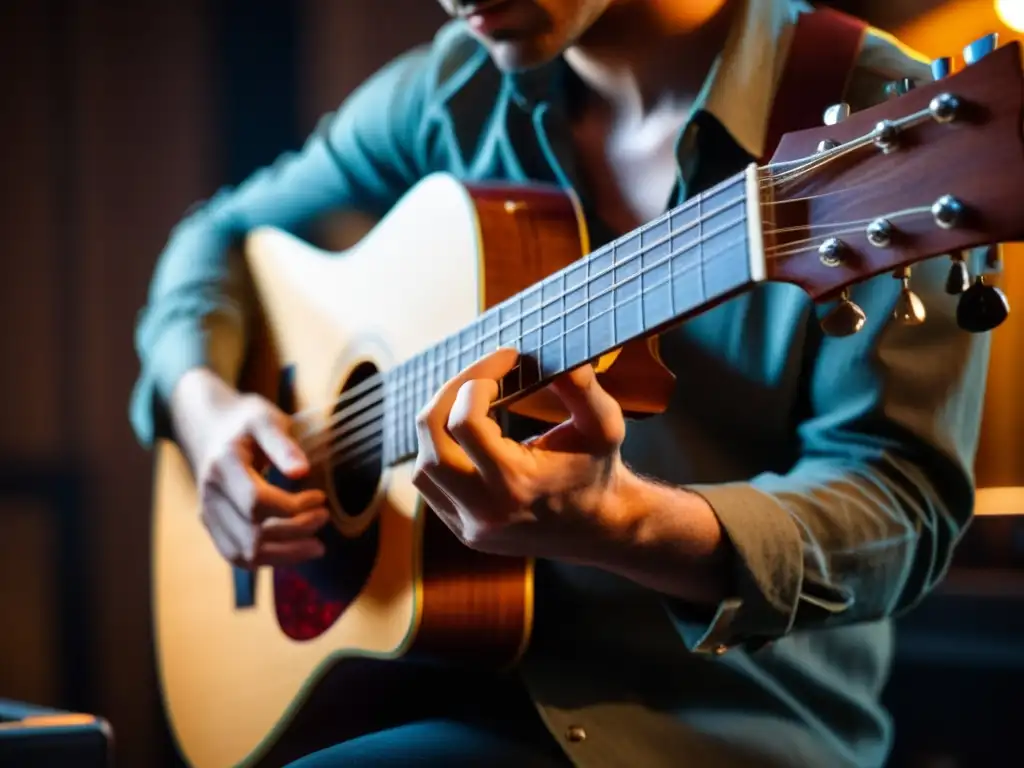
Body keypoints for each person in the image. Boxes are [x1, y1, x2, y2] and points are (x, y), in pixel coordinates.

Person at [129, 1, 992, 766]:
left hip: (701, 722)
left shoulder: (881, 112)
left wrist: (625, 525)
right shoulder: (454, 86)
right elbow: (215, 236)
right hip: (430, 681)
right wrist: (208, 410)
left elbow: (900, 505)